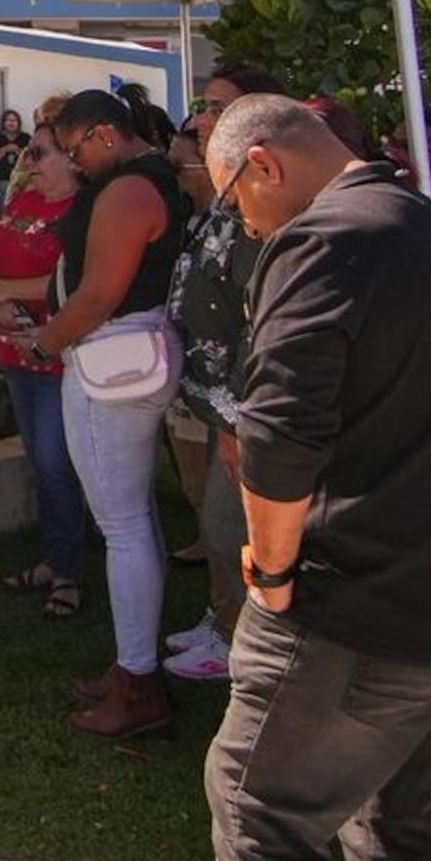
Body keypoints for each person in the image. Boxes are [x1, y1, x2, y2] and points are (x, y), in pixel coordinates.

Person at [198, 95, 431, 861]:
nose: (242, 220)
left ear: (262, 164)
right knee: (404, 847)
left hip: (357, 605)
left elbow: (277, 435)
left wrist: (270, 571)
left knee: (259, 814)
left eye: (233, 197)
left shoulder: (322, 241)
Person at [21, 86, 191, 738]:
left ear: (101, 136)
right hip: (127, 351)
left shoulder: (127, 191)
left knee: (122, 527)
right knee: (134, 521)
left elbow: (97, 294)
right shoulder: (144, 181)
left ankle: (139, 681)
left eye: (71, 150)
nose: (71, 163)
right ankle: (133, 666)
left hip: (112, 359)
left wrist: (47, 339)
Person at [161, 61, 290, 685]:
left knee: (235, 526)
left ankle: (254, 662)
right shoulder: (227, 191)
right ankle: (226, 627)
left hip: (247, 410)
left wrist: (241, 419)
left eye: (218, 108)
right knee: (218, 524)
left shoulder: (270, 205)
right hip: (218, 403)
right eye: (203, 107)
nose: (202, 120)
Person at [0, 128, 88, 619]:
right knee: (39, 460)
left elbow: (76, 282)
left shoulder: (83, 212)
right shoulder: (22, 199)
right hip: (12, 349)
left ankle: (68, 571)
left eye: (40, 152)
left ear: (71, 159)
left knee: (53, 461)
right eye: (29, 151)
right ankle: (54, 557)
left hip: (56, 354)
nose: (30, 160)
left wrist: (8, 291)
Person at [0, 107, 26, 209]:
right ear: (3, 123)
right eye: (8, 120)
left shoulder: (25, 138)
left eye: (14, 120)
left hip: (21, 180)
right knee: (3, 210)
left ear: (18, 123)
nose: (11, 123)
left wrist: (18, 151)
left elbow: (31, 160)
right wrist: (5, 149)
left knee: (20, 211)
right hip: (2, 180)